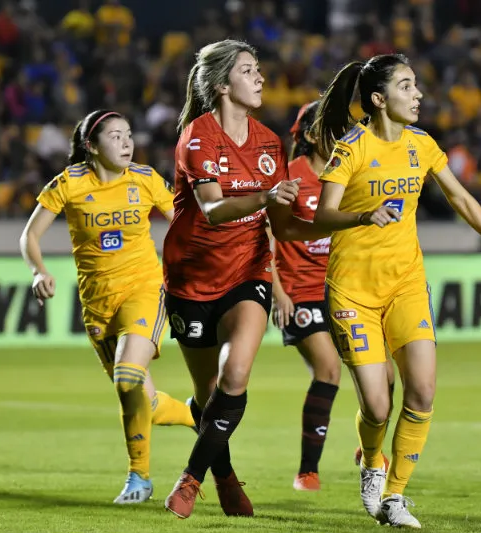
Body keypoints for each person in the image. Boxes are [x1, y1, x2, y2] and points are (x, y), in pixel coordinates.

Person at [311, 54, 481, 528]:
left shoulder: (421, 144)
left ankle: (395, 497)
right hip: (353, 290)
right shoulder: (351, 148)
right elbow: (321, 216)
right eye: (407, 86)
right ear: (379, 98)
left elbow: (461, 197)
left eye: (416, 86)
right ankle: (372, 461)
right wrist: (364, 216)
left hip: (406, 283)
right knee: (376, 405)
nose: (419, 95)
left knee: (423, 392)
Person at [162, 39, 328, 519]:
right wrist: (266, 197)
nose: (259, 78)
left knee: (235, 376)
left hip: (247, 271)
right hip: (190, 278)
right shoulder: (198, 136)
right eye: (249, 70)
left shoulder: (270, 142)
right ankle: (225, 476)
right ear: (221, 84)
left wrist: (349, 222)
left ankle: (190, 479)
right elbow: (213, 209)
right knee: (206, 392)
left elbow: (283, 226)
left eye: (259, 69)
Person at [20, 109, 195, 505]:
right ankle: (195, 416)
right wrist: (37, 271)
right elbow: (29, 235)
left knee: (127, 375)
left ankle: (140, 478)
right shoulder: (69, 183)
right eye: (115, 136)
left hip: (145, 289)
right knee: (143, 400)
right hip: (98, 302)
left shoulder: (146, 179)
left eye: (128, 134)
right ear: (91, 147)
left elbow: (184, 223)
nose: (126, 142)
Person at [269, 101, 394, 491]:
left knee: (386, 374)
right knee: (329, 370)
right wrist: (278, 293)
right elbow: (266, 236)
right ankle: (307, 471)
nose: (343, 134)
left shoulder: (352, 175)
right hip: (301, 293)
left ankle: (368, 446)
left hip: (348, 288)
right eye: (332, 127)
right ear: (309, 135)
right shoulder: (290, 178)